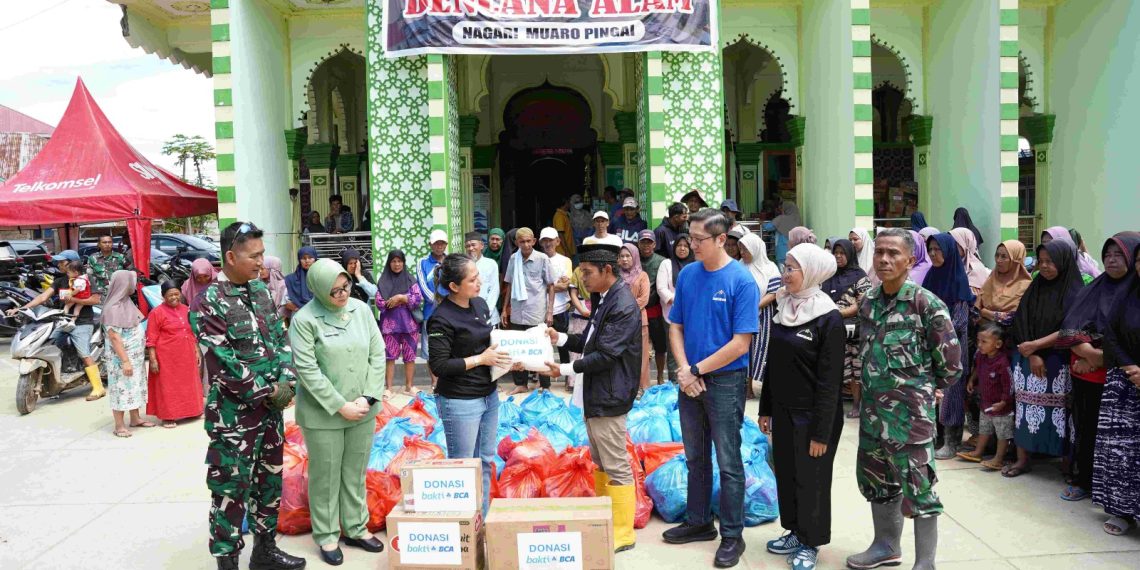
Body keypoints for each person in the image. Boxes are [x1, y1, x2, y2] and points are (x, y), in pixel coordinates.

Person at [847, 228, 961, 570]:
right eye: (879, 251)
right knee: (876, 482)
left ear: (910, 260)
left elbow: (952, 365)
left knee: (919, 489)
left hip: (911, 420)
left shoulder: (926, 304)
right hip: (872, 416)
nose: (883, 259)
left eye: (893, 253)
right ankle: (885, 546)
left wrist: (922, 392)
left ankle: (925, 563)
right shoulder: (868, 302)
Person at [200, 222, 303, 570]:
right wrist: (269, 391)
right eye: (253, 255)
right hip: (234, 419)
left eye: (262, 254)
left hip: (270, 413)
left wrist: (287, 380)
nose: (261, 262)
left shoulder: (259, 292)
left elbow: (279, 339)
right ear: (230, 256)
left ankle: (264, 551)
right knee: (231, 490)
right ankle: (227, 561)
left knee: (269, 482)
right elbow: (223, 362)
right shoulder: (209, 301)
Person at [662, 209, 759, 569]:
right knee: (695, 455)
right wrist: (685, 371)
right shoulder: (688, 274)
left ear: (722, 239)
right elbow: (676, 326)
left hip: (725, 382)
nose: (691, 244)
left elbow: (740, 344)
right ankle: (700, 521)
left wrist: (697, 370)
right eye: (689, 237)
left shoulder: (741, 282)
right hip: (690, 378)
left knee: (729, 461)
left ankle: (732, 535)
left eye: (699, 239)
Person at [542, 242, 643, 553]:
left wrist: (565, 368)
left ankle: (623, 532)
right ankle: (607, 518)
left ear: (607, 271)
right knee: (601, 460)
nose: (582, 279)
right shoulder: (604, 299)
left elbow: (607, 354)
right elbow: (589, 340)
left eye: (586, 273)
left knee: (615, 462)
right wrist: (561, 338)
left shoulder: (623, 305)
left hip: (610, 394)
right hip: (597, 392)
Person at [289, 258, 386, 565]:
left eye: (345, 286)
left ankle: (356, 528)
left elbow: (377, 353)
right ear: (317, 290)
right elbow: (307, 369)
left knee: (354, 472)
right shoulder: (304, 320)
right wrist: (339, 405)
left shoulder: (360, 310)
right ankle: (327, 534)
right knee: (326, 476)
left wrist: (368, 398)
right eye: (334, 291)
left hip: (362, 410)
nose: (342, 294)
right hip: (324, 415)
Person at [758, 244, 843, 570]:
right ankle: (794, 529)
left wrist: (821, 432)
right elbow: (773, 364)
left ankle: (812, 541)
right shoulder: (785, 306)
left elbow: (829, 382)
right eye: (785, 265)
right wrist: (766, 408)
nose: (785, 272)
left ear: (812, 272)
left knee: (813, 480)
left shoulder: (828, 317)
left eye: (792, 268)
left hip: (813, 417)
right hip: (782, 410)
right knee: (788, 474)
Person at [1056, 233, 1140, 502]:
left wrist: (1096, 357)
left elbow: (1120, 335)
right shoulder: (1095, 288)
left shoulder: (1131, 292)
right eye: (1108, 254)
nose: (1112, 260)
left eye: (1119, 255)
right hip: (1088, 375)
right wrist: (1085, 351)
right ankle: (1083, 480)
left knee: (1118, 443)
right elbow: (1071, 325)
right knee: (1086, 428)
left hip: (1120, 377)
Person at [428, 254, 514, 516]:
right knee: (464, 466)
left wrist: (509, 360)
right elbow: (439, 366)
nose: (480, 283)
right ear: (454, 286)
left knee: (486, 460)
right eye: (473, 279)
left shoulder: (479, 305)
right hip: (460, 400)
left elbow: (487, 345)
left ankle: (483, 519)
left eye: (478, 276)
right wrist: (481, 359)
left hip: (488, 395)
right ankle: (463, 526)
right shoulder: (441, 318)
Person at [1004, 239, 1085, 478]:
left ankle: (1066, 462)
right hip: (1028, 358)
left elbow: (1071, 328)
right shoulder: (1036, 286)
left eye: (1051, 261)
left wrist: (1037, 347)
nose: (1045, 266)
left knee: (1061, 413)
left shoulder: (1075, 291)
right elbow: (1021, 319)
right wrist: (1032, 353)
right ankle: (1022, 459)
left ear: (1064, 261)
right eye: (1041, 261)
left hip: (1058, 361)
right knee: (1026, 408)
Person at [7, 250, 105, 400]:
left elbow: (95, 300)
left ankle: (98, 388)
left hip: (82, 322)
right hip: (62, 320)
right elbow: (42, 297)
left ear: (71, 263)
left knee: (84, 353)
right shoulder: (60, 281)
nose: (58, 264)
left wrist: (73, 300)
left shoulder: (87, 278)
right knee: (49, 344)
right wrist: (21, 308)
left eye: (61, 262)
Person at [1094, 241, 1140, 536]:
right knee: (1120, 452)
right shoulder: (1128, 294)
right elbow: (1109, 333)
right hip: (1124, 383)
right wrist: (1131, 367)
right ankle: (1121, 511)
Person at [922, 232, 976, 459]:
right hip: (930, 345)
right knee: (931, 391)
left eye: (938, 249)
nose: (934, 254)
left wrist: (939, 336)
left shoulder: (958, 279)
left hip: (952, 346)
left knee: (951, 391)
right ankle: (936, 436)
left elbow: (961, 321)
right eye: (931, 250)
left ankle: (952, 441)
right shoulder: (931, 277)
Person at [822, 239, 872, 419]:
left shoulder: (860, 276)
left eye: (842, 253)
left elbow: (863, 304)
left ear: (850, 254)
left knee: (857, 369)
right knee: (840, 369)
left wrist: (836, 313)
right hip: (834, 330)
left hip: (857, 331)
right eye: (836, 253)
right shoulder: (829, 275)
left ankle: (858, 404)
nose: (838, 256)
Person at [503, 227, 556, 394]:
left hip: (536, 311)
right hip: (518, 312)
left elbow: (551, 285)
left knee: (541, 348)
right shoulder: (513, 259)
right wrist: (505, 309)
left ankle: (545, 385)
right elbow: (510, 285)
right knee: (518, 349)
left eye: (528, 241)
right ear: (517, 243)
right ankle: (521, 384)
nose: (525, 245)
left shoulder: (542, 259)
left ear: (534, 241)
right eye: (522, 242)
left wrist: (549, 311)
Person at [145, 281, 204, 428]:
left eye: (176, 294)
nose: (174, 297)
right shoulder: (156, 313)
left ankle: (193, 411)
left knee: (190, 383)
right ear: (163, 296)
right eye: (170, 295)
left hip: (187, 353)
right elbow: (151, 339)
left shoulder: (186, 309)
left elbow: (191, 332)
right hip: (166, 357)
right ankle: (168, 416)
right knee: (168, 386)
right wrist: (153, 359)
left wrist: (196, 351)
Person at [956, 322, 1014, 469]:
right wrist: (971, 380)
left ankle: (999, 459)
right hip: (986, 404)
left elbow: (1009, 385)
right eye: (978, 341)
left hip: (1001, 408)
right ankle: (978, 452)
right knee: (984, 430)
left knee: (1002, 434)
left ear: (998, 344)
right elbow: (977, 369)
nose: (979, 345)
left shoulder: (1002, 362)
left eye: (984, 342)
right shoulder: (982, 357)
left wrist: (1004, 402)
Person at [103, 270, 150, 437]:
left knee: (134, 386)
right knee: (121, 389)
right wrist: (125, 361)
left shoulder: (126, 302)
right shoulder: (112, 308)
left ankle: (135, 418)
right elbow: (114, 337)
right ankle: (119, 425)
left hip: (135, 358)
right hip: (121, 360)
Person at [739, 233, 781, 399]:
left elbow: (773, 293)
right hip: (742, 315)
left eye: (745, 249)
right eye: (740, 248)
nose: (742, 252)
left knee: (762, 351)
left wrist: (754, 306)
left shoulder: (770, 268)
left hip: (764, 316)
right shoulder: (738, 266)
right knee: (745, 350)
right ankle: (747, 387)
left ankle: (765, 388)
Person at [377, 250, 423, 399]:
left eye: (399, 261)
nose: (397, 264)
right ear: (389, 263)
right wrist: (396, 301)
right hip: (390, 326)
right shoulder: (383, 281)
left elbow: (418, 299)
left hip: (409, 326)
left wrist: (401, 297)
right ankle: (389, 388)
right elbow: (379, 302)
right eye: (393, 261)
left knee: (410, 356)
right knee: (390, 357)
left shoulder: (411, 280)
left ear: (403, 262)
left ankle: (409, 386)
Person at [656, 234, 693, 383]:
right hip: (671, 313)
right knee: (673, 351)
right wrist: (679, 302)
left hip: (693, 314)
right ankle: (674, 383)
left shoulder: (696, 264)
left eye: (685, 245)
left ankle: (691, 379)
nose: (682, 248)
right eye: (679, 245)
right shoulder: (666, 264)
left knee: (691, 348)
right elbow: (661, 288)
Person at [540, 227, 575, 369]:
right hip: (540, 310)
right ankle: (541, 375)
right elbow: (557, 286)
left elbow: (565, 286)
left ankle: (566, 373)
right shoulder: (537, 259)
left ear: (558, 241)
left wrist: (543, 287)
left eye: (550, 240)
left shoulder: (565, 260)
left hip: (560, 309)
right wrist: (555, 285)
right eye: (544, 241)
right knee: (541, 344)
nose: (547, 243)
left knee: (562, 343)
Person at [618, 243, 651, 392]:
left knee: (641, 355)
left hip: (638, 321)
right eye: (621, 256)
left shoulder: (642, 275)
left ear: (635, 257)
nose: (625, 259)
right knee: (622, 355)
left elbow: (644, 299)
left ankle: (640, 387)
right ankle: (625, 386)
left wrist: (625, 309)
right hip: (619, 322)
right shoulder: (615, 276)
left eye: (628, 256)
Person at [638, 230, 669, 385]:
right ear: (638, 243)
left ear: (654, 244)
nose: (646, 245)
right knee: (640, 346)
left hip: (656, 308)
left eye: (649, 242)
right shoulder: (634, 259)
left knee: (660, 345)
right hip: (638, 310)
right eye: (643, 242)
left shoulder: (662, 261)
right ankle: (643, 378)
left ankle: (660, 376)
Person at [977, 240, 1032, 327]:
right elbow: (977, 308)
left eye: (1004, 257)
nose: (998, 260)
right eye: (997, 255)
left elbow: (1017, 317)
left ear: (1015, 259)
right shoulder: (991, 279)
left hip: (1010, 336)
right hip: (985, 335)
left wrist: (986, 313)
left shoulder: (1025, 285)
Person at [419, 229, 449, 385]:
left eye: (442, 243)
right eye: (436, 243)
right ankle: (434, 382)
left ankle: (447, 380)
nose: (439, 246)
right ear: (430, 244)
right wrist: (439, 302)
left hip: (450, 311)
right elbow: (423, 285)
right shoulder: (422, 262)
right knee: (430, 348)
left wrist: (449, 302)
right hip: (431, 311)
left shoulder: (450, 261)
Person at [465, 231, 502, 326]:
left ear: (481, 245)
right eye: (468, 246)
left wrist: (485, 311)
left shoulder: (491, 264)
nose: (471, 248)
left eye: (473, 245)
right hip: (468, 316)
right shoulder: (463, 265)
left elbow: (494, 290)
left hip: (489, 316)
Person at [949, 227, 991, 291]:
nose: (951, 247)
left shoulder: (976, 270)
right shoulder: (950, 265)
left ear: (965, 244)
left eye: (955, 244)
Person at [763, 201, 799, 267]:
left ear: (786, 209)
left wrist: (762, 223)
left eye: (782, 208)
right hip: (794, 252)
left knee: (782, 272)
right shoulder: (797, 220)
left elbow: (769, 227)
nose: (781, 210)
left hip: (782, 251)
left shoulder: (781, 219)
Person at [284, 246, 319, 315]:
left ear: (315, 259)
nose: (307, 261)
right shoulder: (290, 279)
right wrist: (300, 310)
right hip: (298, 316)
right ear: (299, 260)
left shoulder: (322, 276)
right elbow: (286, 302)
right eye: (303, 258)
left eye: (310, 257)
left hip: (319, 315)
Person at [60, 260, 91, 326]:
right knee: (77, 310)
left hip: (78, 296)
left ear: (76, 273)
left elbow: (78, 289)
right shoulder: (85, 278)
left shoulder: (78, 280)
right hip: (84, 297)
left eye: (68, 273)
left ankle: (64, 319)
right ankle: (72, 321)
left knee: (67, 306)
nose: (67, 274)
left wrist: (70, 294)